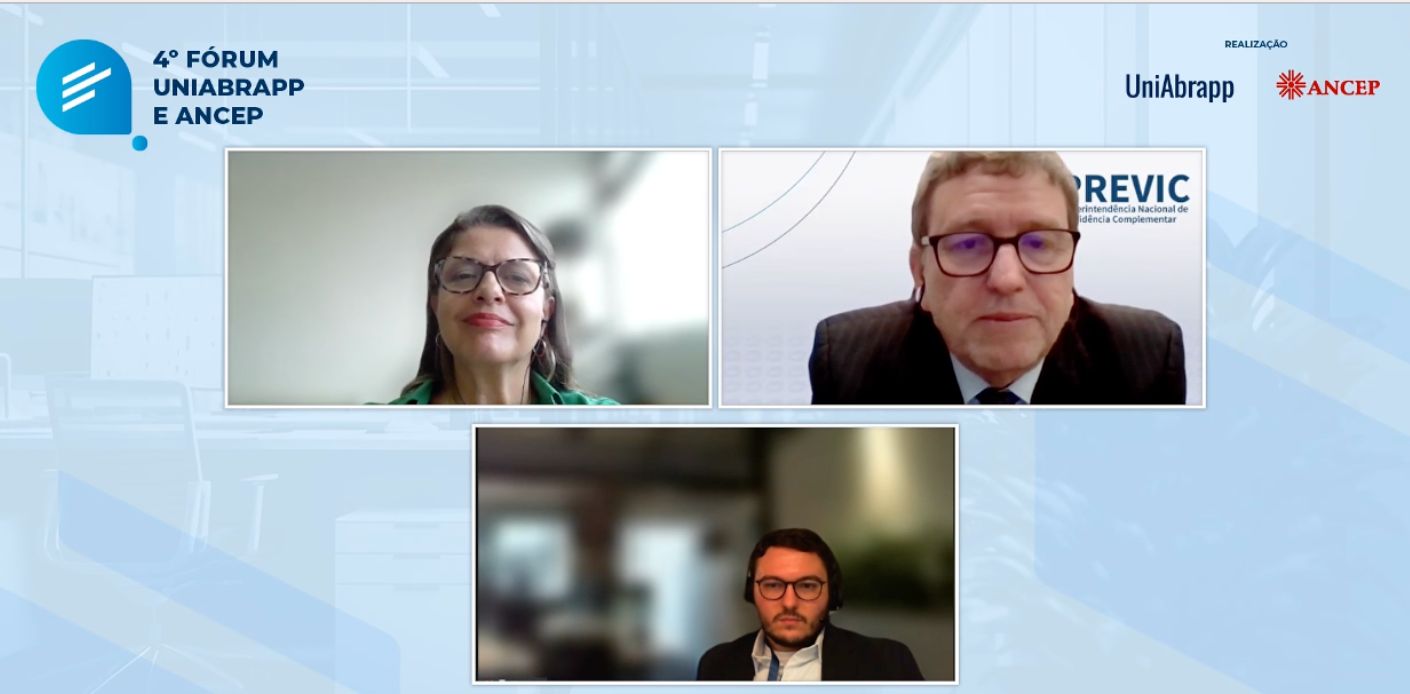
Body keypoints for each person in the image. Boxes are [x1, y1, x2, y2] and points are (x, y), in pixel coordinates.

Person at [808, 151, 1186, 405]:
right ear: (919, 270)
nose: (1006, 279)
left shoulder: (1146, 360)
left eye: (1039, 243)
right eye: (968, 243)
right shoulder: (849, 364)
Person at [390, 204, 616, 405]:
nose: (489, 291)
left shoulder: (608, 425)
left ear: (547, 310)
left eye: (517, 277)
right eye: (464, 275)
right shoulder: (375, 429)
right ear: (436, 304)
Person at [696, 528, 923, 681]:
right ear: (751, 592)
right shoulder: (716, 665)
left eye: (807, 586)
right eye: (773, 585)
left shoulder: (888, 663)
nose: (789, 602)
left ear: (832, 593)